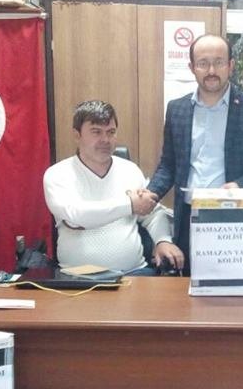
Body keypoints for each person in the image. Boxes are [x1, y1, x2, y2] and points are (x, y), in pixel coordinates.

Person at [148, 33, 243, 273]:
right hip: (188, 216)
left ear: (231, 66)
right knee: (189, 286)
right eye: (203, 63)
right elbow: (169, 165)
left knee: (232, 286)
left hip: (235, 219)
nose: (211, 70)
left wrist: (240, 184)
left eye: (219, 62)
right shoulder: (177, 109)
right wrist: (151, 193)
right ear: (192, 67)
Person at [43, 100, 184, 274]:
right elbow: (77, 215)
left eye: (111, 132)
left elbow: (152, 213)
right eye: (96, 132)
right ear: (77, 135)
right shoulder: (57, 174)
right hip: (77, 277)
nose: (105, 140)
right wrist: (129, 204)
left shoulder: (130, 170)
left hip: (134, 273)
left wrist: (163, 240)